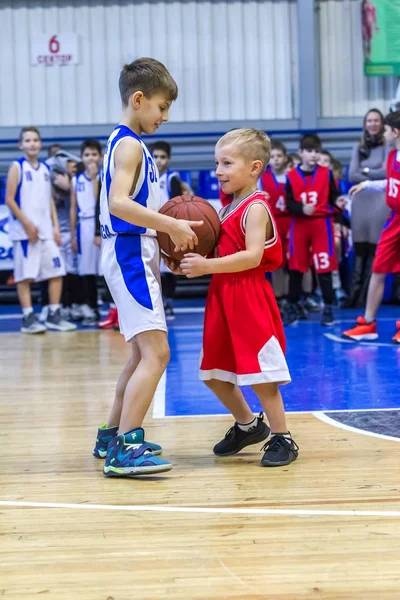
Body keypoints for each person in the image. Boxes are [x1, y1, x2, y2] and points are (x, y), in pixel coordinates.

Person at [94, 57, 203, 477]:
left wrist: (162, 249)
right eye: (161, 107)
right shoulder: (128, 145)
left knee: (141, 355)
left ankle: (112, 436)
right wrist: (172, 225)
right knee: (157, 354)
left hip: (132, 253)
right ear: (138, 99)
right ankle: (126, 448)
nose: (164, 116)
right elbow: (120, 204)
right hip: (127, 253)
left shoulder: (127, 142)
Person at [180, 128, 299, 467]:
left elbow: (251, 258)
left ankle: (282, 437)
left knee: (261, 373)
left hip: (248, 294)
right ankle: (249, 425)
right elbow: (213, 252)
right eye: (217, 162)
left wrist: (207, 265)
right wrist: (186, 259)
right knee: (214, 374)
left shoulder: (256, 207)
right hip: (221, 294)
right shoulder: (224, 208)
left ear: (255, 167)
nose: (219, 170)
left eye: (227, 163)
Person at [5, 127, 76, 333]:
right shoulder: (17, 167)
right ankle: (28, 317)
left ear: (40, 143)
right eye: (27, 140)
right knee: (25, 276)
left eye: (35, 140)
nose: (32, 143)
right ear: (21, 145)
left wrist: (55, 226)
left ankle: (54, 314)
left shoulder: (45, 169)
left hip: (46, 231)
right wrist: (27, 224)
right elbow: (9, 199)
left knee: (56, 271)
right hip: (25, 233)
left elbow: (50, 202)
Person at [342, 110, 400, 344]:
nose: (383, 133)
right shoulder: (393, 156)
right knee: (378, 269)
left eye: (386, 128)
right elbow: (392, 183)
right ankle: (368, 323)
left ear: (395, 132)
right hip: (394, 219)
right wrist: (367, 184)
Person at [282, 134, 344, 327]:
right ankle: (292, 305)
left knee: (324, 266)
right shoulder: (291, 176)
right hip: (299, 224)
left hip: (321, 223)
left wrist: (339, 201)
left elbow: (334, 197)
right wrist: (301, 208)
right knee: (296, 267)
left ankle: (328, 307)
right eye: (309, 151)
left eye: (316, 151)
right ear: (300, 153)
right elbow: (289, 203)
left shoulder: (326, 173)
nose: (313, 155)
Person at [345, 108, 389, 307]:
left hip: (379, 200)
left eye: (376, 120)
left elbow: (387, 172)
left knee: (373, 249)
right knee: (360, 249)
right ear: (365, 123)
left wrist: (365, 170)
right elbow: (352, 175)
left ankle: (366, 297)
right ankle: (353, 296)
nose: (373, 124)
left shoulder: (388, 144)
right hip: (360, 199)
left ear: (381, 124)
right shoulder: (358, 146)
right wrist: (373, 172)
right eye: (369, 120)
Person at [40, 150, 83, 322]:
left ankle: (70, 305)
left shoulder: (74, 182)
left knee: (71, 271)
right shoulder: (48, 180)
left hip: (70, 232)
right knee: (49, 270)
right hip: (51, 232)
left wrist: (70, 185)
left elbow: (77, 206)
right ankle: (47, 305)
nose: (72, 170)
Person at [150, 140, 188, 319]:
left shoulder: (172, 178)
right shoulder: (146, 177)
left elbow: (178, 204)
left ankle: (169, 301)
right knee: (154, 266)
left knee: (169, 268)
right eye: (155, 156)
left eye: (163, 157)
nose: (159, 160)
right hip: (150, 224)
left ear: (169, 159)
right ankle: (156, 301)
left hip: (168, 225)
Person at [70, 139, 102, 325]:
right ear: (82, 157)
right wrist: (74, 235)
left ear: (100, 156)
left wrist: (94, 178)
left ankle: (112, 308)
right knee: (87, 270)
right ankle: (92, 308)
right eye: (87, 155)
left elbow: (98, 200)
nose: (90, 158)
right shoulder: (76, 179)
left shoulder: (103, 176)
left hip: (100, 225)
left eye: (94, 154)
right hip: (84, 225)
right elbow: (73, 207)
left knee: (105, 270)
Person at [261, 140, 290, 308]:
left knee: (291, 263)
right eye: (273, 156)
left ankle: (292, 296)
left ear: (285, 158)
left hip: (291, 222)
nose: (277, 159)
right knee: (277, 263)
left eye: (280, 156)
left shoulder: (292, 176)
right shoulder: (262, 178)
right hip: (272, 222)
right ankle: (279, 298)